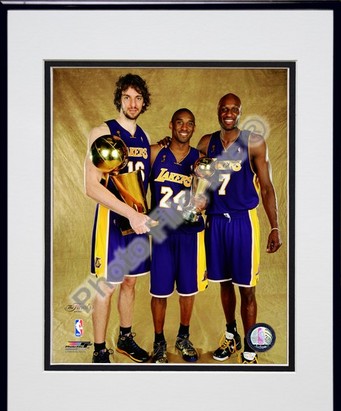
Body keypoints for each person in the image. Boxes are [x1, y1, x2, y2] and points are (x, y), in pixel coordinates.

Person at [197, 93, 282, 364]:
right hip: (215, 222)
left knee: (246, 288)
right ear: (218, 112)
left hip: (243, 222)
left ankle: (250, 348)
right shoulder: (206, 142)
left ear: (240, 112)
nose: (229, 112)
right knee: (223, 283)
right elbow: (194, 172)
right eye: (224, 108)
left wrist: (275, 226)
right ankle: (231, 334)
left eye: (234, 109)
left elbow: (267, 187)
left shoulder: (253, 142)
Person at [84, 73, 153, 363]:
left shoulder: (146, 137)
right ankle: (100, 350)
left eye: (138, 98)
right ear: (119, 100)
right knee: (106, 285)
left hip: (137, 223)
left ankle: (125, 338)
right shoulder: (102, 132)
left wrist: (140, 216)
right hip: (112, 221)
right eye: (127, 97)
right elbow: (90, 186)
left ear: (144, 102)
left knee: (130, 282)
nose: (133, 103)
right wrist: (130, 213)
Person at [149, 108, 207, 363]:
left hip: (189, 232)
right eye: (180, 123)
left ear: (194, 128)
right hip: (161, 231)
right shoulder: (155, 153)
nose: (184, 127)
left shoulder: (200, 159)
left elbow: (207, 195)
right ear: (171, 125)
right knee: (159, 292)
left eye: (190, 124)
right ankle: (159, 341)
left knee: (187, 289)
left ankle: (183, 336)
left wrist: (203, 202)